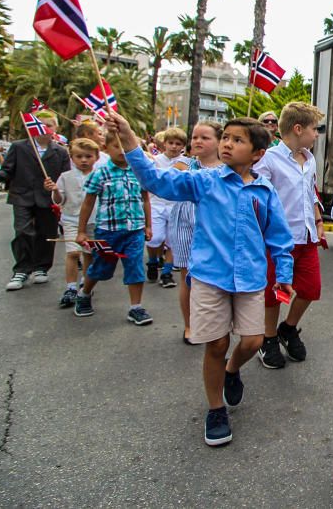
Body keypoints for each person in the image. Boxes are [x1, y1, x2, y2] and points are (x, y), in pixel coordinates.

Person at [107, 112, 294, 447]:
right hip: (208, 277)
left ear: (257, 154)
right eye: (226, 138)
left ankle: (232, 371)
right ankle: (215, 408)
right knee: (217, 344)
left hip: (250, 280)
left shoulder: (265, 191)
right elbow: (156, 181)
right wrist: (130, 138)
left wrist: (283, 275)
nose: (227, 144)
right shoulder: (205, 181)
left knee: (252, 342)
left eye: (238, 140)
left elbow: (279, 237)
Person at [252, 102, 326, 369]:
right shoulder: (269, 160)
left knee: (311, 289)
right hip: (278, 241)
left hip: (306, 237)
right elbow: (256, 198)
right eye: (313, 129)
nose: (316, 134)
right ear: (298, 128)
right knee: (274, 293)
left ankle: (288, 327)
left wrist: (318, 220)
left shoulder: (309, 157)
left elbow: (310, 193)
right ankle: (268, 338)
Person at [0, 111, 69, 291]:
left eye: (49, 125)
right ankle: (22, 268)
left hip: (48, 198)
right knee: (22, 231)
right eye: (40, 124)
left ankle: (42, 267)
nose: (44, 129)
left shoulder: (60, 152)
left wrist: (58, 190)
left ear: (56, 128)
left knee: (47, 233)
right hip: (22, 195)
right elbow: (7, 170)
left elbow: (66, 177)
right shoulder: (19, 147)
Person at [74, 131, 153, 325]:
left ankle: (136, 307)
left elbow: (145, 200)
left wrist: (148, 225)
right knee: (101, 268)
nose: (122, 151)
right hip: (107, 231)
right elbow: (88, 203)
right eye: (116, 146)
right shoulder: (100, 173)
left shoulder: (138, 172)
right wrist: (81, 231)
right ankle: (84, 293)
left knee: (135, 267)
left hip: (134, 230)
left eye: (125, 145)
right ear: (105, 149)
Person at [166, 122, 223, 344]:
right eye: (195, 137)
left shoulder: (226, 169)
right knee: (187, 276)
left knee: (212, 277)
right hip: (185, 223)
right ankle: (190, 325)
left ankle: (213, 323)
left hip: (214, 224)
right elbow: (167, 183)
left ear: (219, 141)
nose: (197, 141)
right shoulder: (184, 164)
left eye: (205, 137)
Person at [45, 138, 99, 308]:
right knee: (73, 253)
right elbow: (59, 200)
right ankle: (70, 287)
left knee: (88, 254)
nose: (83, 160)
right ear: (72, 158)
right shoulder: (65, 177)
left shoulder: (100, 175)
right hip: (71, 220)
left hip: (94, 221)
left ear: (96, 157)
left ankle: (86, 281)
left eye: (88, 156)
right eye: (79, 156)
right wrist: (55, 191)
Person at [145, 126, 189, 288]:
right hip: (156, 204)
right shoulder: (155, 161)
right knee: (155, 239)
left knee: (172, 242)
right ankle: (152, 261)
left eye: (178, 143)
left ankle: (166, 273)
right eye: (171, 143)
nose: (174, 146)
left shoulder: (186, 163)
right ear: (164, 144)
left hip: (175, 205)